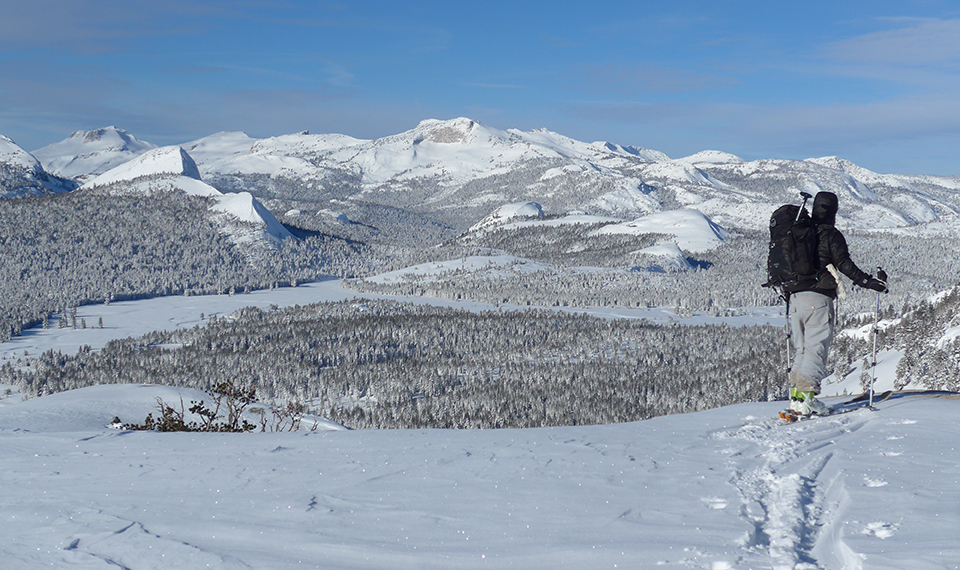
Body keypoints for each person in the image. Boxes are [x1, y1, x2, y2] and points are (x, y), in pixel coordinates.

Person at [788, 191, 887, 415]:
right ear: (833, 211)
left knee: (801, 350)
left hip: (794, 299)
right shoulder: (830, 234)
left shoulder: (800, 231)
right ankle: (807, 401)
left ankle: (796, 399)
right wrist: (867, 281)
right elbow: (843, 263)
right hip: (818, 299)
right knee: (815, 350)